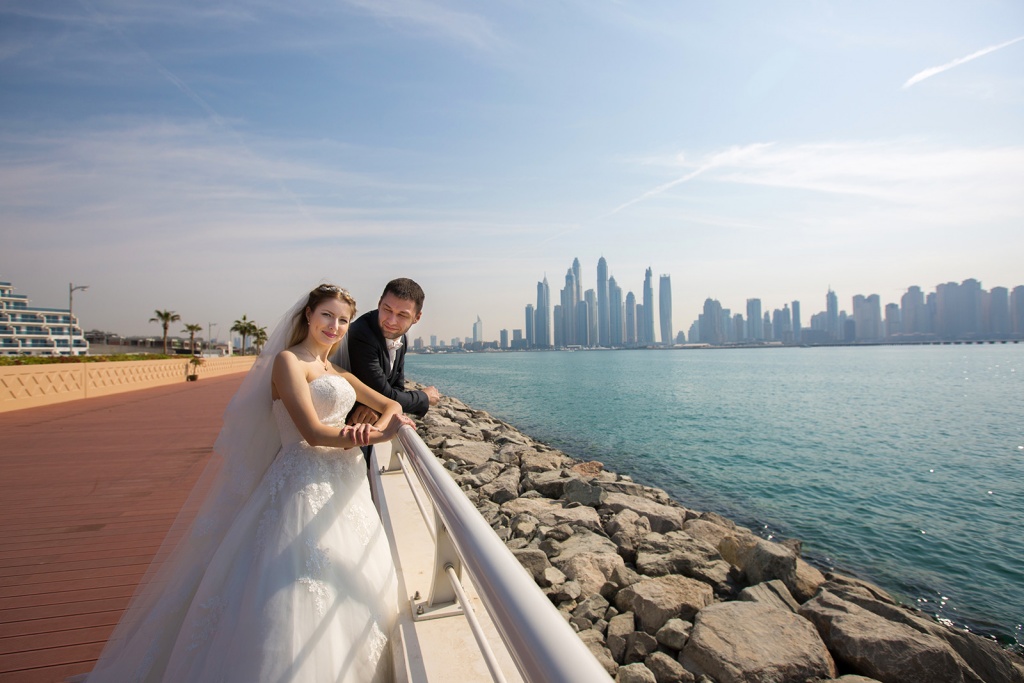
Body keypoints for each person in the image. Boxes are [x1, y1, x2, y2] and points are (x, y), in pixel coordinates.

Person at [87, 284, 414, 683]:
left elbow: (391, 403)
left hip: (346, 486)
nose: (334, 326)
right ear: (309, 314)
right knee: (291, 588)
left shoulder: (337, 371)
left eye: (343, 320)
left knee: (350, 576)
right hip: (302, 482)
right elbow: (312, 433)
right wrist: (374, 436)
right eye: (327, 315)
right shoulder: (288, 362)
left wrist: (379, 424)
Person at [334, 277, 439, 425]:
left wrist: (377, 408)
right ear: (379, 304)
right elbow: (385, 395)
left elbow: (397, 386)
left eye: (402, 315)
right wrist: (424, 396)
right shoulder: (361, 334)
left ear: (417, 317)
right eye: (387, 309)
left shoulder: (401, 336)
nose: (391, 321)